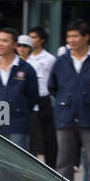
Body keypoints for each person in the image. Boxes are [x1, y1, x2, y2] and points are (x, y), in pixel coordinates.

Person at [47, 19, 90, 181]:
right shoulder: (61, 61)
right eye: (69, 36)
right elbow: (53, 87)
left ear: (86, 37)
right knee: (63, 163)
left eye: (75, 36)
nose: (71, 40)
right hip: (66, 117)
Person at [0, 26, 40, 150]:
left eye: (5, 41)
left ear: (14, 44)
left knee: (17, 165)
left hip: (18, 123)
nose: (0, 44)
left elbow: (33, 96)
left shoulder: (26, 69)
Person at [26, 26, 58, 163]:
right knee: (32, 137)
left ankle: (51, 167)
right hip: (29, 100)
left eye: (34, 37)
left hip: (44, 99)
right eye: (30, 37)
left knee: (48, 137)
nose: (31, 40)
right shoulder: (26, 59)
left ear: (42, 40)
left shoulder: (50, 58)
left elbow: (54, 79)